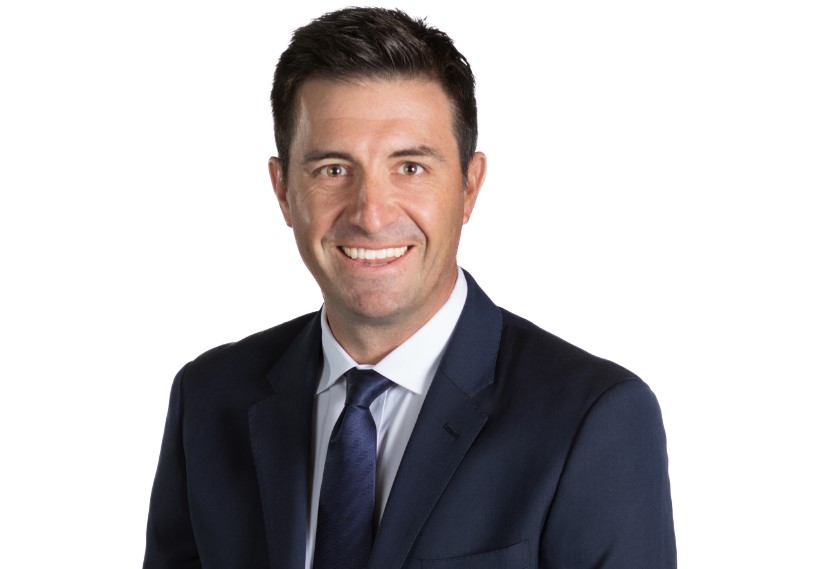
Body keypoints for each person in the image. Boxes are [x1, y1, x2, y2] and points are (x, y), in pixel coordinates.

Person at [143, 7, 676, 569]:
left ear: (469, 187)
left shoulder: (595, 419)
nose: (371, 215)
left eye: (411, 168)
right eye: (332, 169)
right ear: (283, 191)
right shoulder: (209, 398)